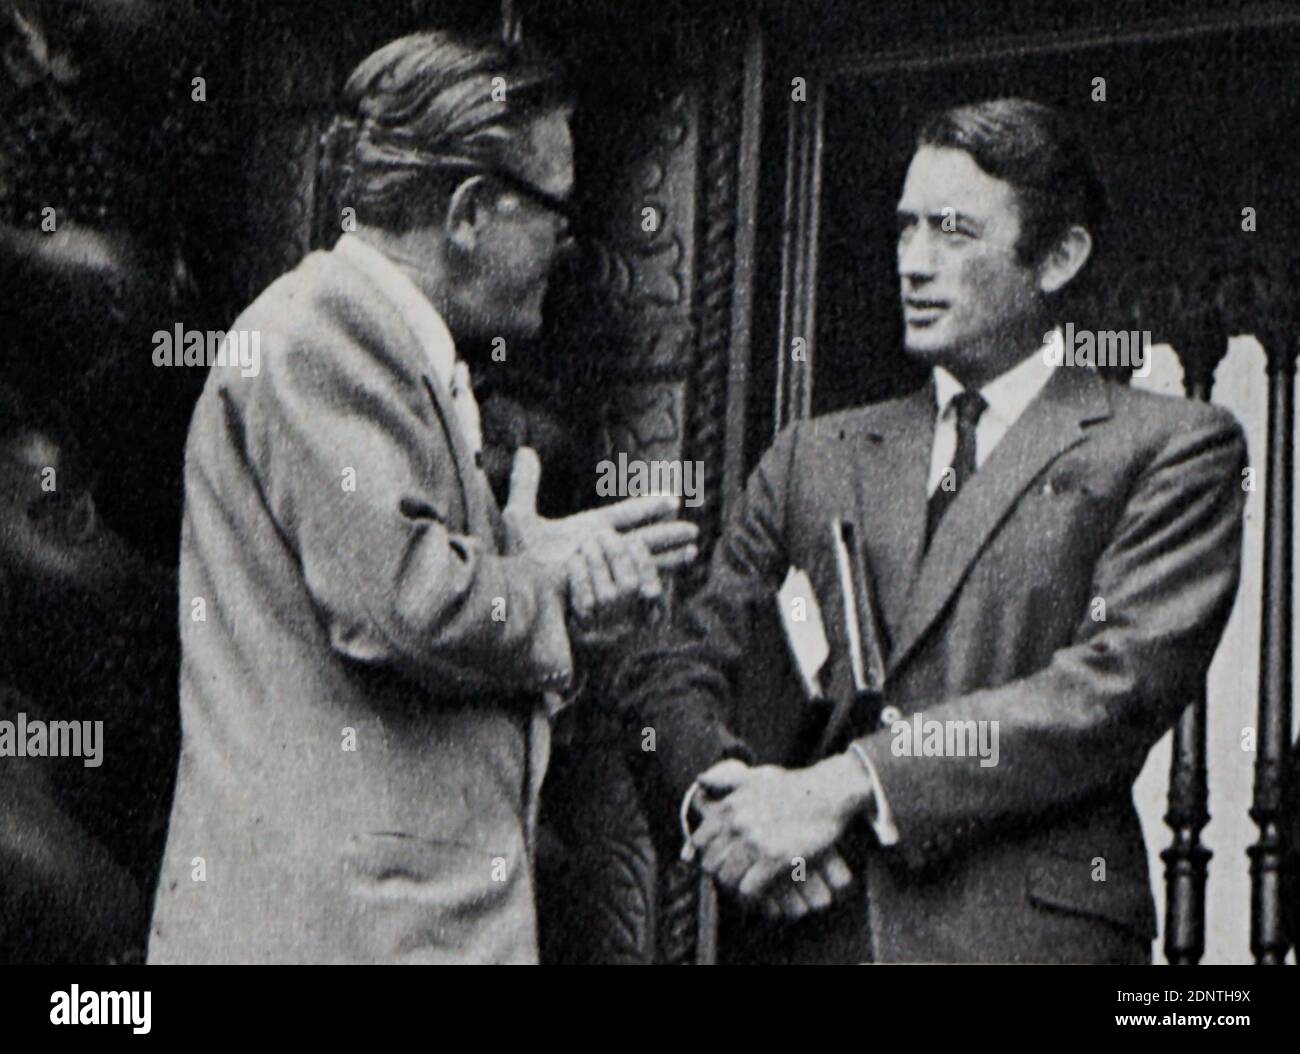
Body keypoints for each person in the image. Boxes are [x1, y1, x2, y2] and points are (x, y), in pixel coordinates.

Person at [617, 98, 1247, 964]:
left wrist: (851, 783)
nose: (913, 264)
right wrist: (727, 806)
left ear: (1058, 258)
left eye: (952, 233)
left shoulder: (1171, 445)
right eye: (906, 229)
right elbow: (680, 669)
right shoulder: (815, 454)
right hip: (813, 935)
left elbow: (1109, 689)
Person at [148, 30, 697, 964]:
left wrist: (522, 568)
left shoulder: (372, 341)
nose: (566, 247)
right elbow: (402, 603)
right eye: (557, 214)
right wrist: (548, 584)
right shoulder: (323, 332)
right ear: (472, 211)